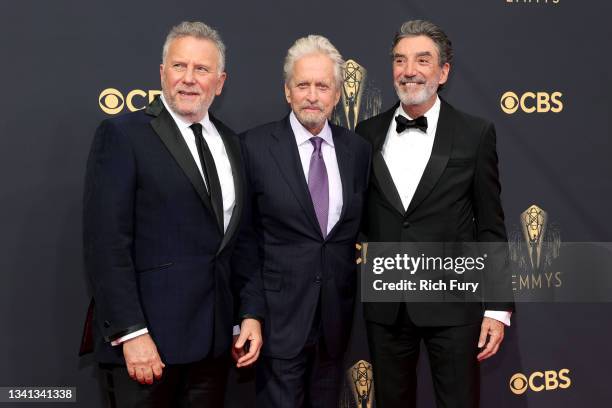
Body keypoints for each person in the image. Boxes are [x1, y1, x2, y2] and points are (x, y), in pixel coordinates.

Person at [82, 21, 263, 407]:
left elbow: (241, 240)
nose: (189, 79)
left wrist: (248, 314)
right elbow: (106, 245)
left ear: (220, 81)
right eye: (179, 66)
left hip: (213, 350)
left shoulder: (232, 143)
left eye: (201, 69)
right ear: (162, 73)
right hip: (148, 352)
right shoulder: (124, 135)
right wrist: (132, 334)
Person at [355, 20, 514, 408]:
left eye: (422, 60)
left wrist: (497, 307)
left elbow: (491, 226)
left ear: (443, 72)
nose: (409, 70)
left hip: (455, 306)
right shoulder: (365, 133)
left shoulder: (475, 133)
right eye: (400, 60)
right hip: (387, 307)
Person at [237, 35, 371, 408]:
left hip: (334, 322)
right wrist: (249, 314)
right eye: (303, 85)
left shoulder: (357, 151)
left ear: (337, 94)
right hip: (277, 323)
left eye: (322, 85)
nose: (312, 95)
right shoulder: (253, 147)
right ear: (287, 91)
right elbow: (243, 240)